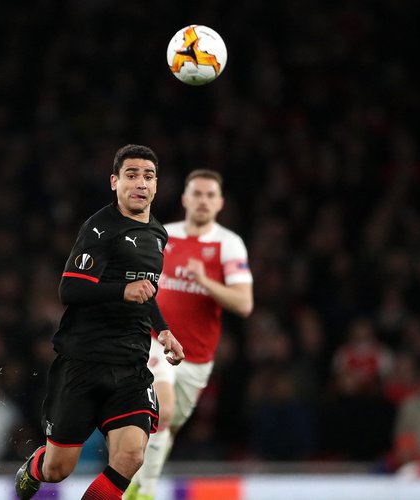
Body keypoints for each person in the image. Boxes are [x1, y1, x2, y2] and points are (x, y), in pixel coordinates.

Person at [14, 144, 185, 500]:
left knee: (132, 455)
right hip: (84, 362)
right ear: (114, 182)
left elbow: (146, 291)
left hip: (131, 364)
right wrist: (122, 290)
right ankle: (36, 466)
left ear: (157, 185)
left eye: (148, 176)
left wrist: (164, 330)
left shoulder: (158, 233)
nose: (141, 183)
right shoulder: (99, 228)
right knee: (58, 470)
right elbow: (70, 289)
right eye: (132, 175)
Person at [125, 169, 253, 500]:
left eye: (210, 195)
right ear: (185, 198)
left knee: (168, 426)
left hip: (197, 357)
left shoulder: (228, 244)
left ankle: (134, 487)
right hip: (156, 340)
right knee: (162, 411)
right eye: (197, 193)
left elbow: (244, 303)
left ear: (220, 203)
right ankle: (144, 491)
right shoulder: (162, 235)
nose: (203, 200)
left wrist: (205, 281)